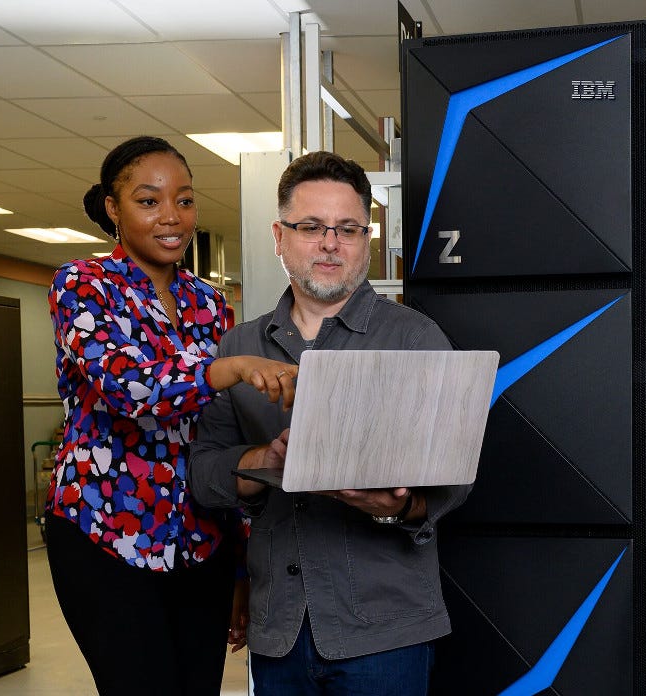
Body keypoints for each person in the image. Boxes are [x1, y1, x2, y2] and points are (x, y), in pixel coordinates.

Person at [188, 151, 470, 695]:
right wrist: (263, 461)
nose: (329, 243)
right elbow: (203, 473)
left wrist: (398, 506)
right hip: (280, 631)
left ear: (367, 238)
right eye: (311, 226)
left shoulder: (414, 339)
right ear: (279, 235)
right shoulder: (239, 347)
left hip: (386, 634)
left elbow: (455, 479)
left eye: (347, 229)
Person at [46, 135, 298, 695]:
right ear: (113, 208)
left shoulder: (207, 302)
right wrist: (228, 368)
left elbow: (217, 436)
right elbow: (126, 387)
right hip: (105, 534)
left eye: (184, 200)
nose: (172, 217)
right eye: (149, 200)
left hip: (200, 536)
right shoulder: (83, 284)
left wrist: (240, 565)